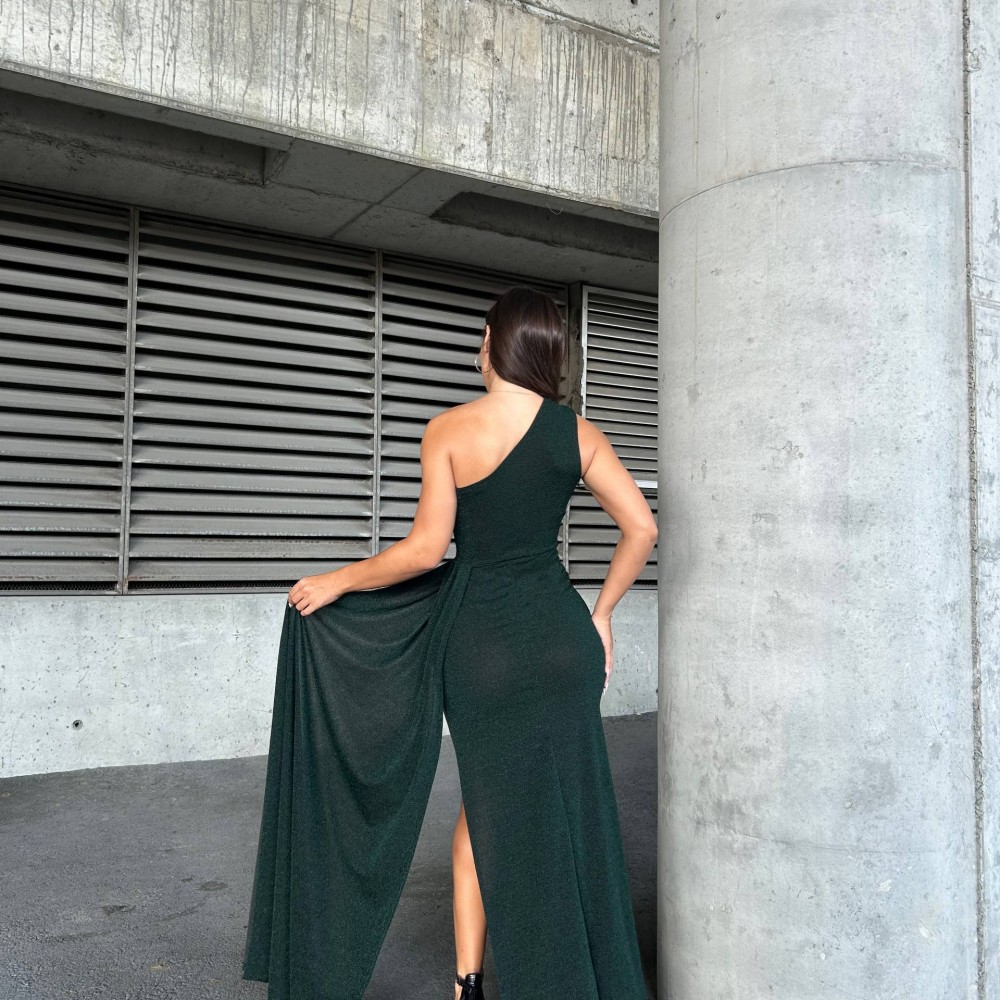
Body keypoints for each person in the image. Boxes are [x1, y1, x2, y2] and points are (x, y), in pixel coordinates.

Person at [242, 285, 658, 1000]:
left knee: (491, 808)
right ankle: (541, 974)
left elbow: (425, 551)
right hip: (564, 644)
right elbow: (642, 528)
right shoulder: (576, 432)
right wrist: (603, 613)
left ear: (495, 342)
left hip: (482, 651)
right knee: (559, 809)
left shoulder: (448, 430)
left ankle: (471, 984)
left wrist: (339, 581)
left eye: (482, 334)